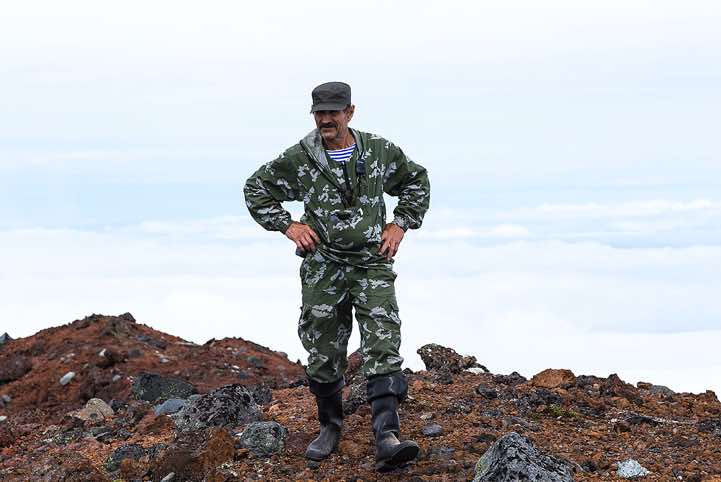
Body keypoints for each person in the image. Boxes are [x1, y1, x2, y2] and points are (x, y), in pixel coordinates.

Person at [243, 81, 430, 472]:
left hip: (371, 261)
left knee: (383, 339)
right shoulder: (300, 157)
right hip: (323, 264)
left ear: (350, 112)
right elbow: (256, 188)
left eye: (334, 112)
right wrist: (288, 226)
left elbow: (416, 181)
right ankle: (330, 425)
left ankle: (387, 436)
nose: (326, 119)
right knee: (323, 348)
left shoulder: (379, 150)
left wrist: (400, 225)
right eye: (320, 113)